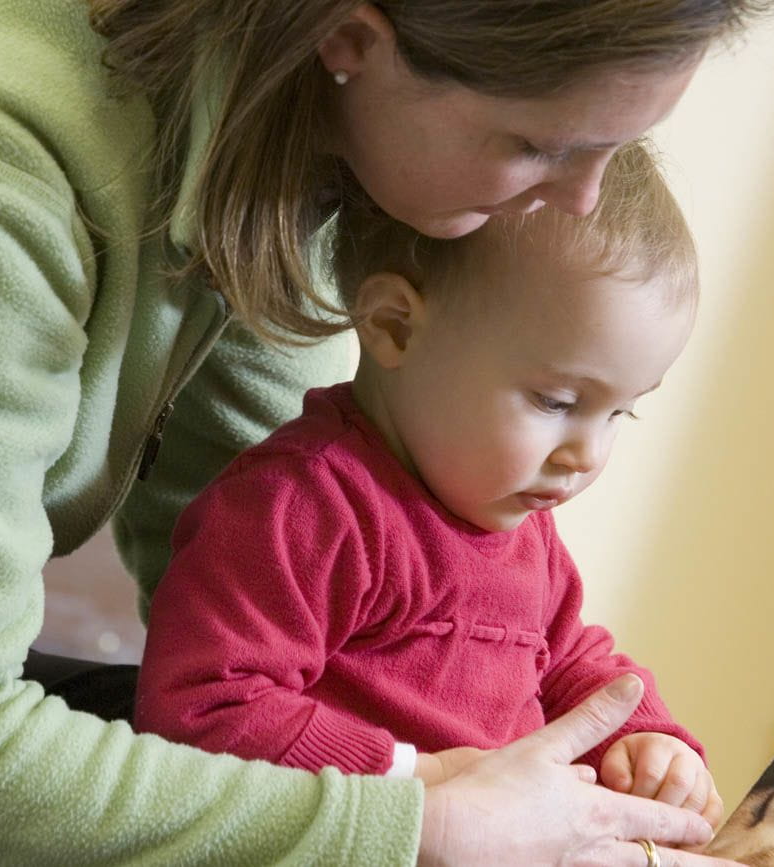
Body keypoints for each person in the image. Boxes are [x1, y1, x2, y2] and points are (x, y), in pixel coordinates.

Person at [0, 0, 772, 864]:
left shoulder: (293, 140)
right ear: (351, 39)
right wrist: (418, 819)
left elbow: (273, 565)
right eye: (540, 146)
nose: (578, 201)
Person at [135, 141, 725, 830]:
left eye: (621, 411)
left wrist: (643, 740)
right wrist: (420, 781)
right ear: (395, 325)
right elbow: (202, 707)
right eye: (557, 401)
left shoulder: (520, 523)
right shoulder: (304, 507)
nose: (586, 455)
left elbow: (565, 658)